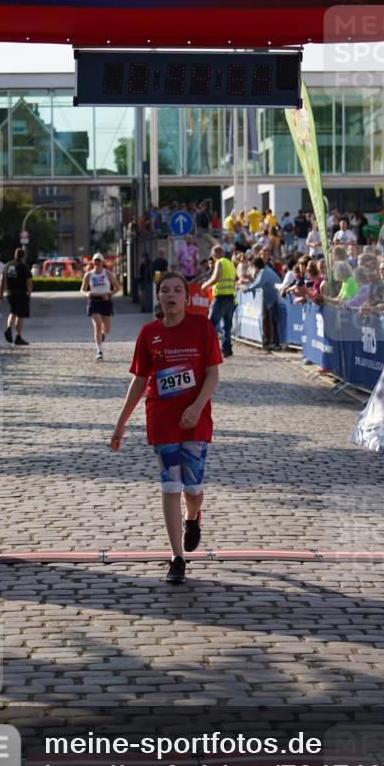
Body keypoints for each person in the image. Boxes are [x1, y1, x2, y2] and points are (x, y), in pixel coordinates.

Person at [110, 271, 222, 584]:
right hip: (162, 419)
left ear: (187, 297)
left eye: (177, 290)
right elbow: (140, 380)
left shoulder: (202, 327)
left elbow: (212, 374)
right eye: (164, 291)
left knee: (193, 487)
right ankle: (177, 558)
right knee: (170, 485)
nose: (170, 295)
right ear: (158, 297)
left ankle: (193, 515)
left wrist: (197, 407)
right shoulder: (148, 333)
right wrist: (120, 423)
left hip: (196, 419)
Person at [81, 252, 121, 361]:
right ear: (93, 262)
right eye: (95, 261)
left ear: (102, 262)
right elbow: (82, 289)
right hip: (93, 301)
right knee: (97, 325)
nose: (97, 263)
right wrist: (87, 294)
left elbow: (117, 288)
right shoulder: (89, 275)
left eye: (99, 260)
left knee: (106, 330)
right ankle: (99, 350)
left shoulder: (108, 274)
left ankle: (102, 335)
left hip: (106, 302)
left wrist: (109, 295)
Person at [202, 244, 237, 358]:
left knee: (211, 324)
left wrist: (205, 285)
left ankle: (206, 349)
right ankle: (227, 350)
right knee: (227, 326)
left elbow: (215, 278)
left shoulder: (220, 262)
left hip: (221, 298)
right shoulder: (230, 264)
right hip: (230, 297)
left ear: (215, 254)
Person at [243, 256, 282, 350]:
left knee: (273, 322)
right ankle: (272, 342)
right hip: (272, 298)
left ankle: (275, 344)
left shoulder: (264, 272)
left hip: (273, 299)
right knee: (272, 321)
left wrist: (247, 289)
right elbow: (257, 282)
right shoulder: (266, 270)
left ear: (256, 266)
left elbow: (258, 284)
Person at [0, 247, 32, 346]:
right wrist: (29, 293)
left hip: (9, 293)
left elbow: (2, 280)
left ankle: (9, 329)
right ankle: (18, 337)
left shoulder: (8, 265)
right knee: (20, 315)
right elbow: (29, 282)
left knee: (12, 312)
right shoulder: (24, 266)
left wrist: (0, 294)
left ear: (15, 255)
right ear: (23, 256)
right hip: (21, 293)